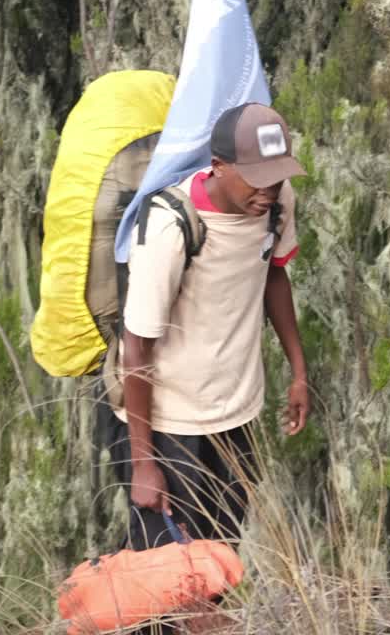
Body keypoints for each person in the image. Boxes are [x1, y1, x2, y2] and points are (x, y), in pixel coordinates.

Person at [110, 102, 312, 551]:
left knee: (221, 559)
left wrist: (299, 373)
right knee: (168, 577)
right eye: (257, 178)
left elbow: (273, 273)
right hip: (171, 425)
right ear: (219, 167)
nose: (269, 190)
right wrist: (144, 461)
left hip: (236, 414)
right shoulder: (172, 227)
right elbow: (136, 346)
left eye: (277, 177)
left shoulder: (276, 204)